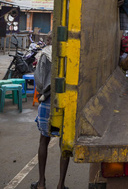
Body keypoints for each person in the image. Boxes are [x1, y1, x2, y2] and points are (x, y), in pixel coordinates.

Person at [32, 35, 69, 189]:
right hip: (66, 102)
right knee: (64, 144)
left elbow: (39, 80)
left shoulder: (45, 54)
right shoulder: (69, 53)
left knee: (43, 141)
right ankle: (60, 184)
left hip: (47, 100)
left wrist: (43, 92)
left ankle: (41, 183)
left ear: (49, 41)